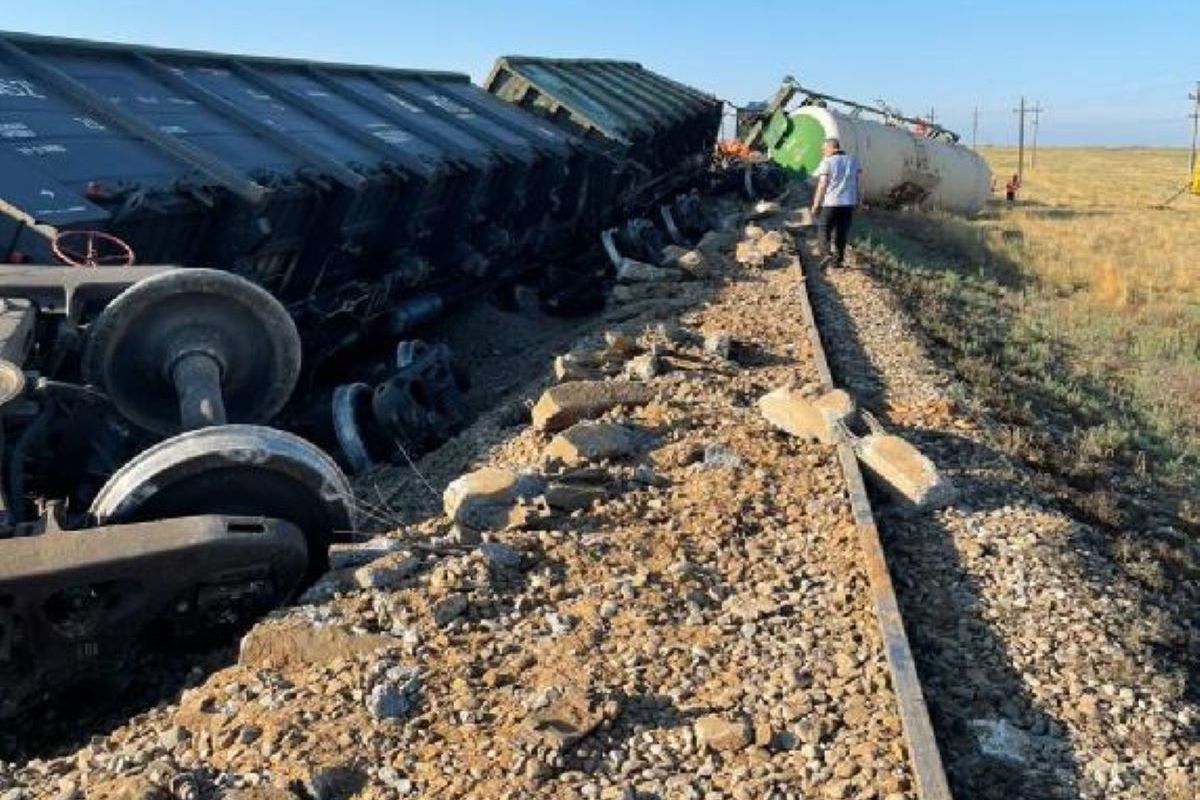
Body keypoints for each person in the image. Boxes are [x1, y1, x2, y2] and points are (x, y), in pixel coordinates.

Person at [810, 138, 861, 268]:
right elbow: (856, 181)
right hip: (849, 202)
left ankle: (825, 253)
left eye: (823, 149)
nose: (822, 152)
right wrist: (858, 200)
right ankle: (838, 261)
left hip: (831, 202)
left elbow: (822, 185)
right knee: (842, 232)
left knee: (823, 228)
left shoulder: (827, 162)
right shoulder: (853, 160)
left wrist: (816, 204)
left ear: (831, 148)